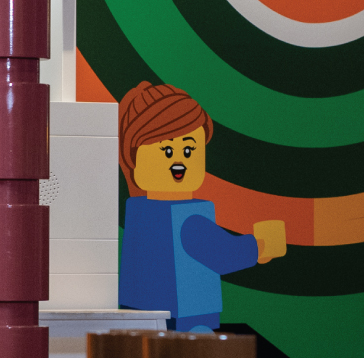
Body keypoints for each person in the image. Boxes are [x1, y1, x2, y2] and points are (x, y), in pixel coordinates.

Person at [112, 82, 285, 330]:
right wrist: (260, 246)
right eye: (168, 150)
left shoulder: (139, 212)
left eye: (190, 149)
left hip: (139, 317)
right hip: (186, 321)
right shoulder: (187, 219)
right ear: (135, 161)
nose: (179, 161)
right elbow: (223, 254)